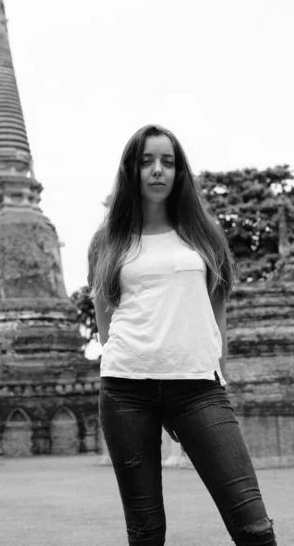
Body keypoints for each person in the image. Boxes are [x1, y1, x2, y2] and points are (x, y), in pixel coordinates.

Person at [88, 125, 277, 546]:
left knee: (254, 527)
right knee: (146, 531)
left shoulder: (202, 234)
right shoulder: (108, 241)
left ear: (179, 172)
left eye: (168, 162)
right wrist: (140, 358)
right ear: (131, 170)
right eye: (146, 161)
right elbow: (106, 318)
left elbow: (217, 310)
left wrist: (217, 374)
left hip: (198, 389)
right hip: (125, 390)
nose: (158, 170)